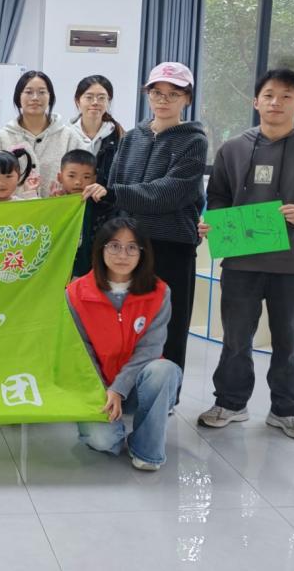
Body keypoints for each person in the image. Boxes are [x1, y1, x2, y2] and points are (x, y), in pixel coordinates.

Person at [196, 68, 294, 441]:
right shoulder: (233, 148)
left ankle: (286, 411)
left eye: (285, 96)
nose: (275, 102)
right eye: (268, 95)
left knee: (289, 341)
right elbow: (217, 195)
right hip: (241, 261)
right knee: (235, 338)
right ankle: (230, 403)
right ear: (255, 101)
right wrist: (217, 222)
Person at [83, 62, 207, 376]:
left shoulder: (194, 141)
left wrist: (115, 194)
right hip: (129, 246)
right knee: (125, 323)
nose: (163, 100)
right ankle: (123, 390)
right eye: (157, 93)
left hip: (171, 246)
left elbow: (171, 192)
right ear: (148, 95)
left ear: (187, 98)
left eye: (173, 94)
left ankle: (165, 392)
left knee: (169, 326)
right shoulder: (132, 138)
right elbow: (115, 185)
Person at [66, 217, 181, 471]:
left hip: (138, 385)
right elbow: (80, 351)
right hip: (97, 385)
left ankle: (147, 451)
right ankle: (113, 428)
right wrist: (104, 391)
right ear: (101, 249)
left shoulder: (159, 292)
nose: (122, 255)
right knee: (103, 441)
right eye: (114, 246)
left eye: (131, 248)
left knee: (164, 370)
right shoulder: (76, 293)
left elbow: (150, 350)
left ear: (143, 253)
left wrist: (119, 388)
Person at [0, 70, 84, 198]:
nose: (35, 98)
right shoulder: (1, 138)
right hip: (13, 210)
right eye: (28, 92)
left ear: (50, 97)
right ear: (18, 97)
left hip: (57, 208)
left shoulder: (69, 137)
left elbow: (84, 177)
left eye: (42, 92)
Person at [53, 149, 101, 277]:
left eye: (86, 177)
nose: (78, 182)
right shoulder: (54, 204)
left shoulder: (98, 205)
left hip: (87, 271)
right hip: (57, 270)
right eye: (71, 176)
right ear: (60, 177)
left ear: (94, 179)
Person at [69, 75, 124, 184]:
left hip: (106, 194)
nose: (95, 102)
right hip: (73, 194)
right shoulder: (66, 134)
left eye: (101, 98)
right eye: (89, 97)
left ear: (108, 101)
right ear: (78, 101)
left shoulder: (120, 136)